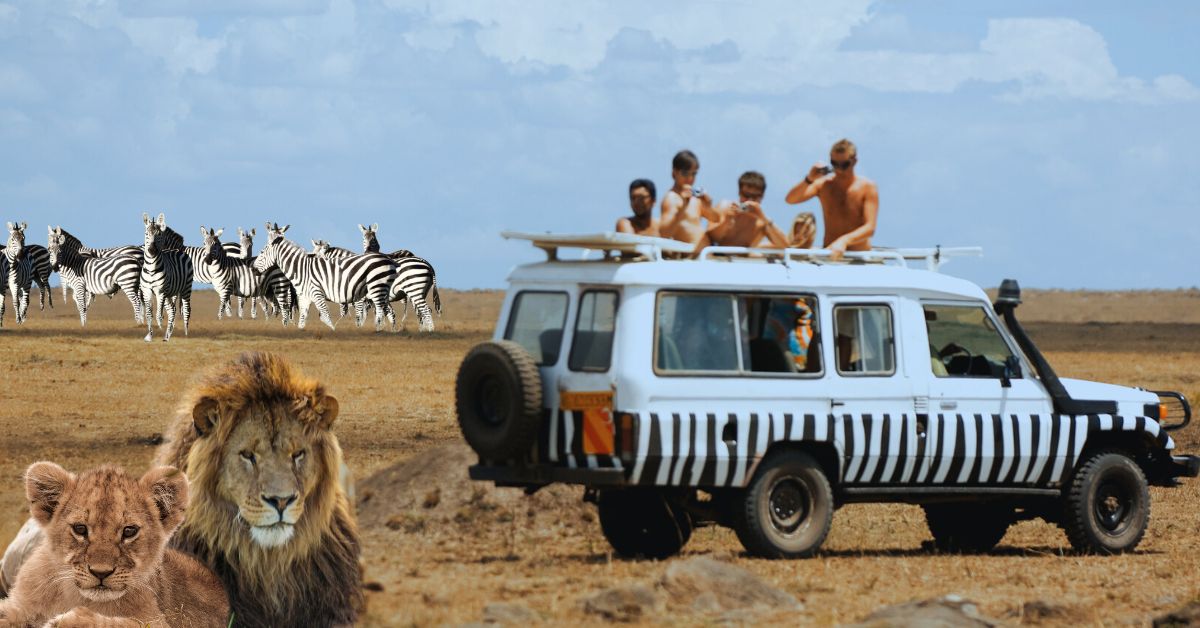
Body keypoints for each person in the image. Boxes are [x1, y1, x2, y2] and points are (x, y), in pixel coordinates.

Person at [784, 139, 879, 260]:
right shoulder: (823, 185)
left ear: (854, 161)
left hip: (860, 257)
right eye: (835, 164)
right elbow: (790, 200)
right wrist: (809, 179)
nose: (839, 169)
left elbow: (870, 228)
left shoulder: (867, 187)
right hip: (830, 256)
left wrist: (844, 241)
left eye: (844, 165)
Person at [690, 171, 787, 256]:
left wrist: (763, 218)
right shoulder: (725, 206)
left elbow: (785, 247)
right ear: (739, 193)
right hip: (713, 256)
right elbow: (712, 237)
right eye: (746, 195)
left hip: (740, 264)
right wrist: (728, 220)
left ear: (762, 196)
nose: (750, 200)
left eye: (755, 197)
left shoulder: (762, 222)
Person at [660, 149, 718, 244]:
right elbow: (664, 233)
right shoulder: (671, 198)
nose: (690, 178)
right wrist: (683, 207)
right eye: (685, 173)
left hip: (705, 255)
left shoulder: (695, 198)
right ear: (674, 173)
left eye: (694, 174)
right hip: (690, 257)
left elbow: (716, 219)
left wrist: (708, 206)